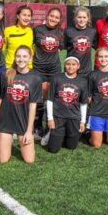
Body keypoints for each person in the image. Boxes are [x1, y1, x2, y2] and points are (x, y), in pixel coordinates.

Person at [0, 45, 42, 164]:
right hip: (5, 121)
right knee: (3, 160)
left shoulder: (35, 78)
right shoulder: (5, 74)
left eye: (25, 56)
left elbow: (33, 105)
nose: (21, 59)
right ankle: (6, 139)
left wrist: (29, 131)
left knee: (29, 160)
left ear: (30, 58)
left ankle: (21, 136)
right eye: (18, 56)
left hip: (23, 122)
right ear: (14, 58)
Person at [45, 56, 88, 154]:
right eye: (68, 64)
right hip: (58, 117)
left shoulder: (83, 82)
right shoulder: (56, 78)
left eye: (73, 64)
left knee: (71, 146)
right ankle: (51, 135)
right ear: (64, 65)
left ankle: (63, 135)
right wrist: (50, 118)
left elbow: (83, 103)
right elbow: (50, 100)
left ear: (78, 66)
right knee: (53, 149)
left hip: (74, 117)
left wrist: (82, 121)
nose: (71, 67)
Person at [32, 7, 64, 139]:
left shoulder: (60, 32)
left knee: (51, 98)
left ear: (59, 20)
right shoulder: (37, 29)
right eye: (52, 16)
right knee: (39, 98)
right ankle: (37, 126)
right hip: (38, 68)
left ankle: (50, 125)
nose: (53, 19)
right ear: (47, 15)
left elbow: (60, 49)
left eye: (56, 17)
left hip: (54, 69)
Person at [64, 6, 97, 77]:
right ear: (75, 18)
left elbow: (98, 47)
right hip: (71, 70)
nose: (82, 20)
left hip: (86, 71)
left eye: (84, 17)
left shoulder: (92, 32)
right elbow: (63, 47)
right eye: (79, 17)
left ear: (88, 18)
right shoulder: (68, 31)